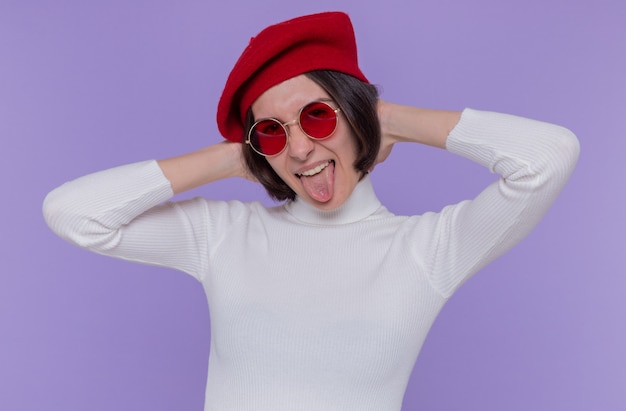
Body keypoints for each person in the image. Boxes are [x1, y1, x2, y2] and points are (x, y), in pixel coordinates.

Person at [43, 11, 579, 411]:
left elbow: (548, 158)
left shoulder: (428, 250)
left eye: (319, 117)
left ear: (355, 113)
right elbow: (73, 214)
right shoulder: (222, 234)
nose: (298, 150)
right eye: (273, 132)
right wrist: (234, 158)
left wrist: (388, 118)